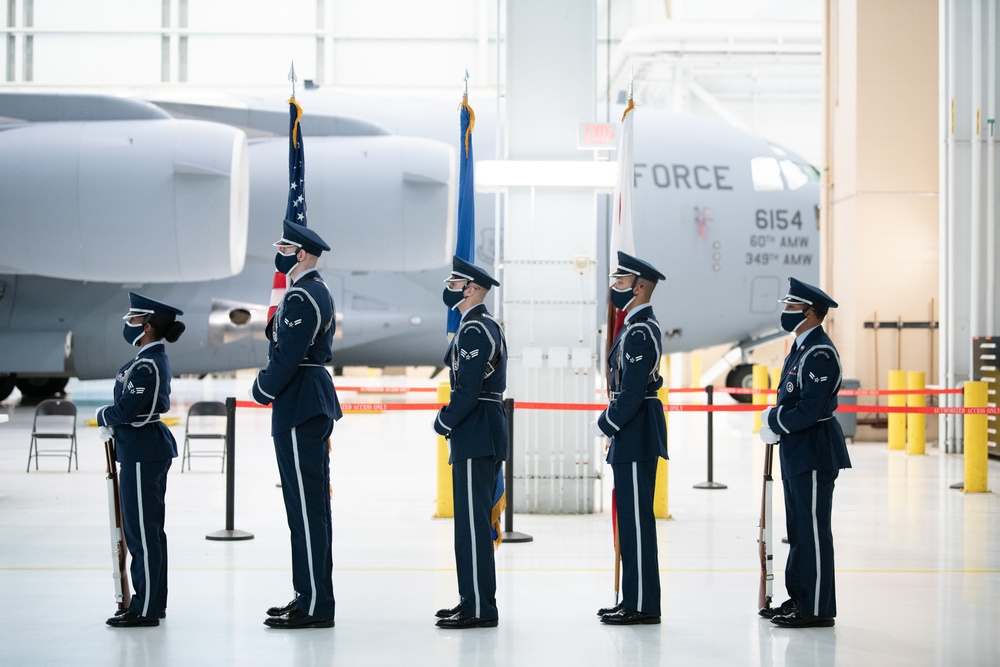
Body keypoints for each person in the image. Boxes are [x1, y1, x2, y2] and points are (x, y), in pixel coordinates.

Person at [250, 220, 342, 629]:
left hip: (299, 399)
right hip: (306, 396)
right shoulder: (308, 291)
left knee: (306, 508)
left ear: (301, 253)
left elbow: (287, 356)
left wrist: (262, 387)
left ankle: (315, 604)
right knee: (308, 507)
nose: (281, 253)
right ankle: (309, 595)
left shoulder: (304, 296)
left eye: (286, 248)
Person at [758, 277, 852, 628]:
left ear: (810, 313)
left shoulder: (820, 353)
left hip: (814, 450)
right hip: (798, 450)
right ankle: (799, 597)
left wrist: (775, 420)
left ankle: (815, 607)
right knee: (797, 528)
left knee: (812, 529)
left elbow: (810, 410)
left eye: (792, 307)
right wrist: (777, 419)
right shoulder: (800, 348)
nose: (786, 312)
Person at [98, 292, 185, 628]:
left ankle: (145, 607)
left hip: (142, 450)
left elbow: (130, 411)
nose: (129, 324)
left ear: (147, 327)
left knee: (142, 533)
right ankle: (152, 601)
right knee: (148, 531)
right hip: (143, 449)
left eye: (134, 319)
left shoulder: (148, 365)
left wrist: (105, 414)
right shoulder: (146, 361)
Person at [591, 251, 668, 625]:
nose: (615, 288)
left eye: (620, 282)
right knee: (632, 521)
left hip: (635, 432)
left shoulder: (640, 330)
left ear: (639, 287)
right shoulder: (633, 328)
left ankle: (643, 605)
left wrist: (607, 422)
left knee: (637, 523)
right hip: (631, 432)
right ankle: (633, 599)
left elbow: (634, 391)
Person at [433, 256, 508, 629]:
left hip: (475, 428)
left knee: (472, 526)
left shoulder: (477, 329)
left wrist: (444, 420)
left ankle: (479, 606)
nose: (450, 289)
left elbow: (469, 389)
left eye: (455, 283)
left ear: (471, 288)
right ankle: (472, 600)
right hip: (480, 429)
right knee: (469, 523)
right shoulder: (478, 326)